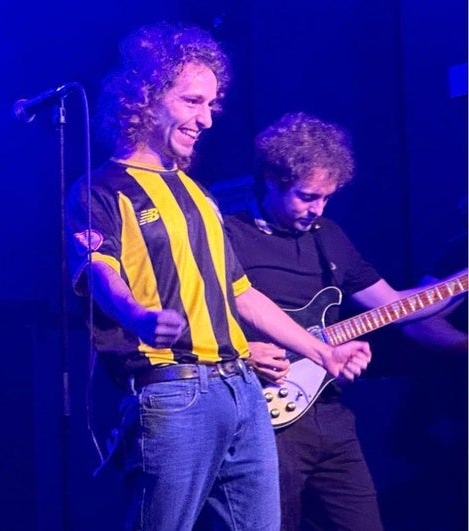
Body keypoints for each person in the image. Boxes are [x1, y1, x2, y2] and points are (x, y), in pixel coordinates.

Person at [66, 25, 371, 531]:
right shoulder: (100, 189)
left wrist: (323, 352)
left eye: (211, 105)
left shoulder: (199, 194)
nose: (205, 119)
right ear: (146, 97)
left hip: (241, 391)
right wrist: (137, 315)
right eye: (193, 101)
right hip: (174, 391)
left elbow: (240, 293)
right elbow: (101, 271)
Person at [223, 112, 467, 531]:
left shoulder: (328, 235)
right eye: (306, 197)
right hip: (263, 419)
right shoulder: (229, 233)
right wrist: (244, 351)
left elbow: (395, 306)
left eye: (325, 198)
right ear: (270, 179)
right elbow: (200, 317)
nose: (316, 209)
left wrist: (461, 283)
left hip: (329, 412)